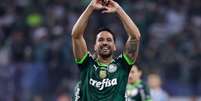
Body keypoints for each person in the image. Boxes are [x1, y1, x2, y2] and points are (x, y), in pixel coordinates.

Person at [71, 0, 141, 100]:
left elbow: (135, 37)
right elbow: (76, 36)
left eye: (109, 40)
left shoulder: (122, 66)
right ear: (95, 46)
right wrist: (90, 7)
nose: (105, 43)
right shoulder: (87, 65)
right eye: (100, 40)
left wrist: (118, 9)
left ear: (115, 46)